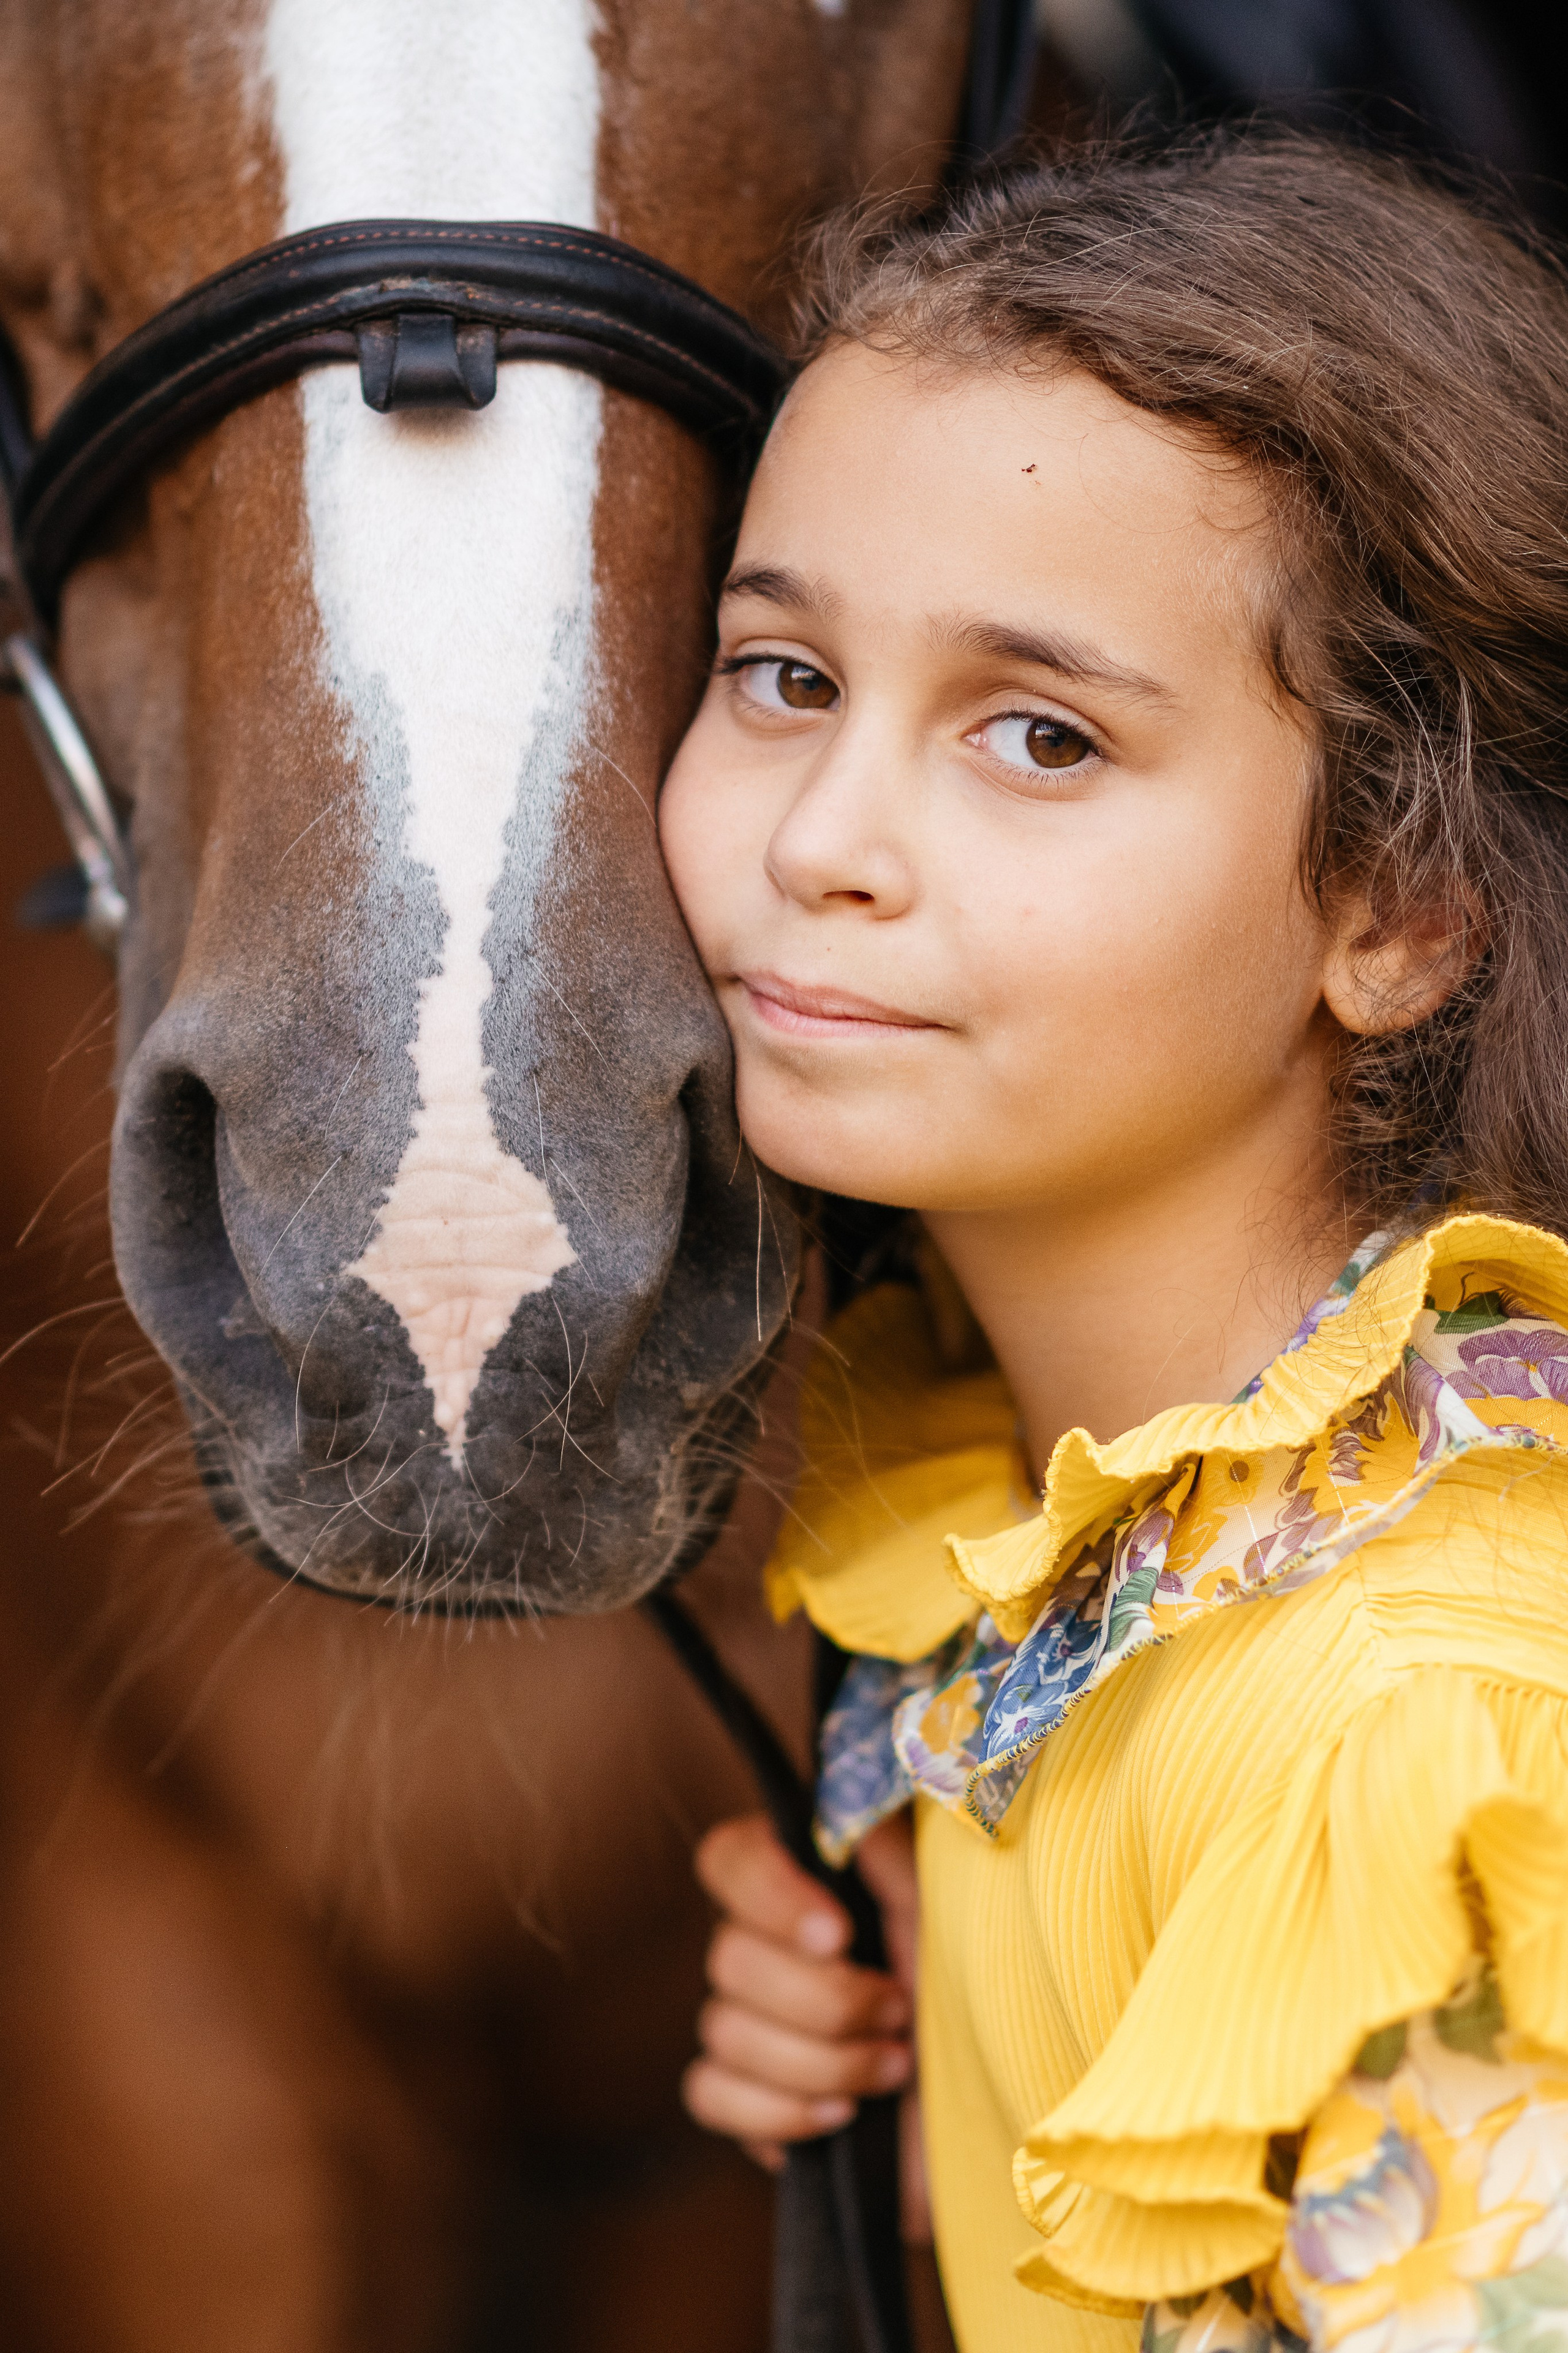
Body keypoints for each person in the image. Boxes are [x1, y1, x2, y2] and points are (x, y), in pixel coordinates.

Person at [656, 127, 1568, 2353]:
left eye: (1039, 734)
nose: (828, 838)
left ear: (1400, 904)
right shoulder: (1086, 1549)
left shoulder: (1428, 1739)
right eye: (782, 677)